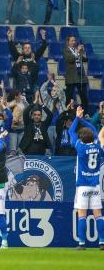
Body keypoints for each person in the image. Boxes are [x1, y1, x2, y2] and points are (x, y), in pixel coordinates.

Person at [69, 106, 104, 250]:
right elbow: (94, 131)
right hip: (95, 184)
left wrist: (77, 119)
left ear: (81, 138)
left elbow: (71, 131)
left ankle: (82, 243)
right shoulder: (97, 146)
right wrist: (83, 120)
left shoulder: (80, 147)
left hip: (83, 185)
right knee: (98, 214)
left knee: (81, 213)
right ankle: (102, 242)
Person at [63, 36, 88, 109]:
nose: (74, 42)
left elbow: (85, 59)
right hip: (71, 77)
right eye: (72, 41)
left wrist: (83, 51)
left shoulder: (78, 50)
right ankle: (68, 113)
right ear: (68, 42)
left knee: (84, 97)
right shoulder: (66, 50)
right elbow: (70, 59)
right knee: (69, 97)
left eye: (75, 40)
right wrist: (77, 51)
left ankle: (85, 113)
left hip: (80, 77)